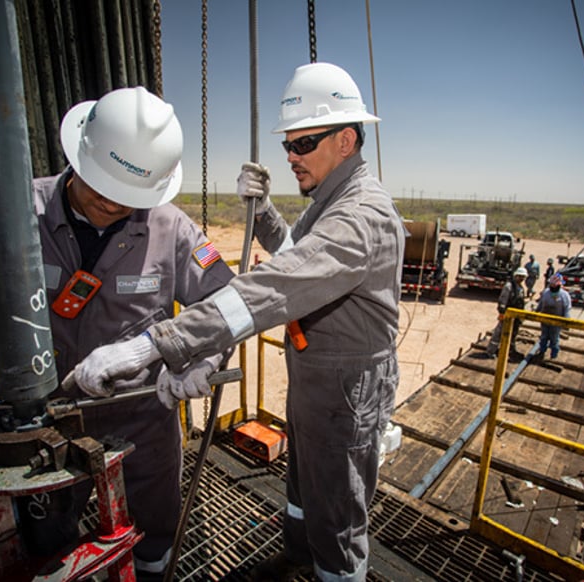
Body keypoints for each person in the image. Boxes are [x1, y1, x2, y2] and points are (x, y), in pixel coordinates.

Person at [69, 62, 406, 581]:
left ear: (345, 139)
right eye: (287, 145)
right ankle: (297, 557)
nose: (290, 156)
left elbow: (282, 283)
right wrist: (267, 212)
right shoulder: (330, 200)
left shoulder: (363, 214)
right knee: (302, 484)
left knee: (337, 512)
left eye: (303, 143)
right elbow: (303, 256)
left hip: (348, 389)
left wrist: (154, 346)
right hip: (316, 377)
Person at [0, 87, 235, 577]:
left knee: (154, 531)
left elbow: (225, 303)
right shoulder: (10, 213)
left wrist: (204, 356)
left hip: (142, 419)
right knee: (47, 541)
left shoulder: (170, 228)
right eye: (100, 187)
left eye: (127, 196)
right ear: (79, 155)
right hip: (45, 421)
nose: (111, 203)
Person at [484, 267, 528, 361]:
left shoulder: (520, 288)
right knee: (499, 333)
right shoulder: (509, 286)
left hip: (516, 315)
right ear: (516, 276)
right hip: (507, 314)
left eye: (523, 277)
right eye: (520, 277)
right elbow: (502, 301)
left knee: (512, 334)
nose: (521, 279)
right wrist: (502, 313)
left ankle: (509, 352)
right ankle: (490, 351)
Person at [534, 273, 572, 359]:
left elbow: (567, 308)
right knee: (544, 336)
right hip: (545, 319)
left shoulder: (564, 295)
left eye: (555, 286)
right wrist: (535, 313)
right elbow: (540, 304)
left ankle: (553, 355)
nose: (553, 287)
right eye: (552, 285)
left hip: (556, 321)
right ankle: (542, 352)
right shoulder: (546, 293)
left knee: (554, 338)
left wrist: (566, 321)